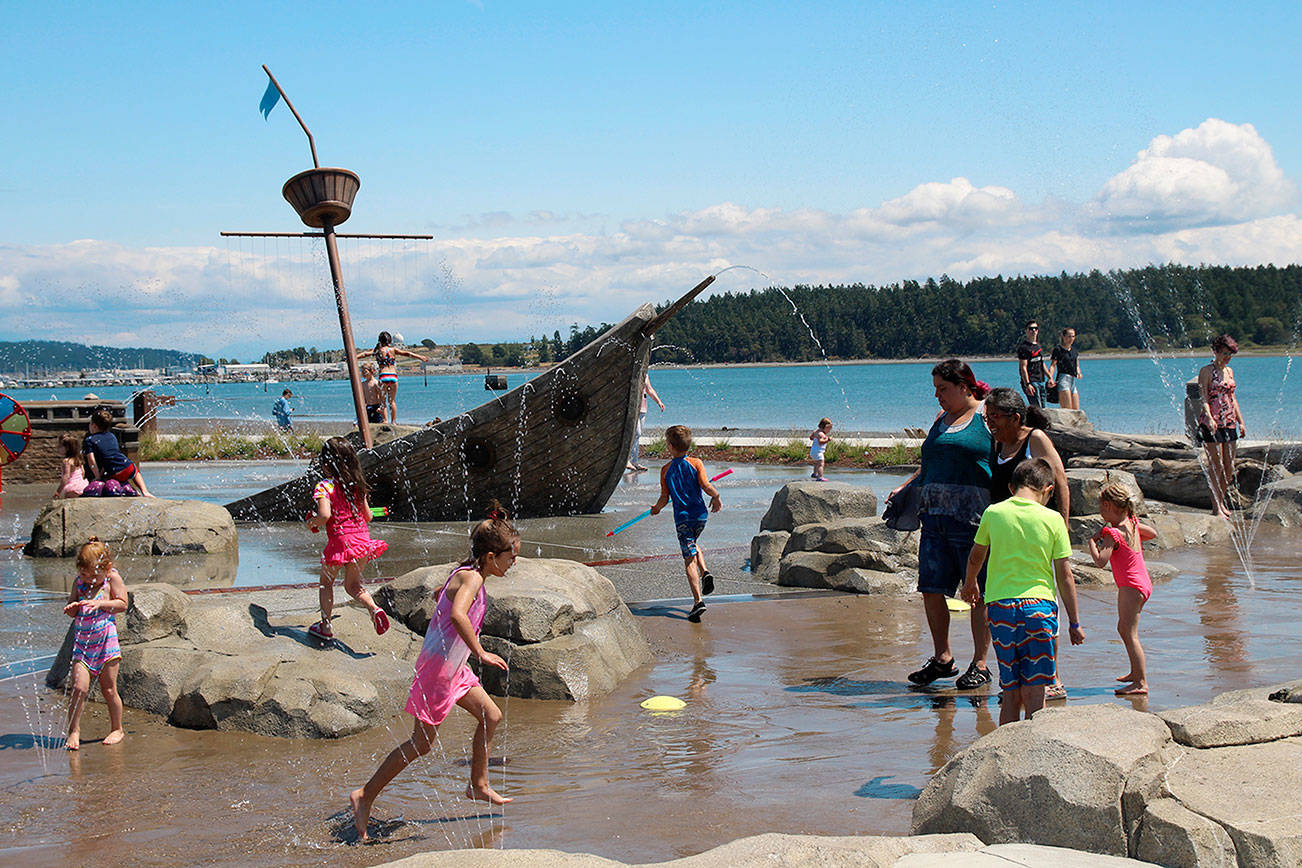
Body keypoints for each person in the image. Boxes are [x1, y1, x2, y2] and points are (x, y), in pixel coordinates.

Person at [350, 506, 518, 840]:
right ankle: (364, 795)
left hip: (453, 667)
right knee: (422, 743)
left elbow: (443, 596)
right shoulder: (471, 577)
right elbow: (458, 615)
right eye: (511, 556)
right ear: (491, 555)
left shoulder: (468, 572)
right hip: (439, 670)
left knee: (491, 715)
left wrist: (444, 599)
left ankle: (478, 784)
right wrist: (481, 652)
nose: (514, 562)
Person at [886, 360, 993, 689]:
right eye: (934, 389)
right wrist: (906, 486)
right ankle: (943, 658)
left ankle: (981, 663)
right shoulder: (940, 420)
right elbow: (929, 464)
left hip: (974, 520)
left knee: (978, 593)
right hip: (934, 519)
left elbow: (1008, 457)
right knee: (931, 589)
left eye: (942, 389)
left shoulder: (987, 416)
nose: (937, 396)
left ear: (964, 387)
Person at [961, 459, 1085, 724]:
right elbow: (1065, 575)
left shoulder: (994, 513)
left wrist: (970, 583)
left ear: (1010, 486)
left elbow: (976, 556)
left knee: (1010, 690)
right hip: (1039, 609)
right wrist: (1074, 622)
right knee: (1035, 692)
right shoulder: (1052, 519)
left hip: (1001, 608)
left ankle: (1004, 753)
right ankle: (1030, 752)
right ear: (1048, 490)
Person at [982, 387, 1071, 699]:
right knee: (1003, 600)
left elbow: (1059, 481)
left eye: (994, 416)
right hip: (1005, 530)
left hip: (1036, 531)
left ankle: (1053, 677)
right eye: (987, 415)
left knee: (1042, 597)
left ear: (1014, 417)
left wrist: (1062, 524)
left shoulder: (1035, 439)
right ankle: (1012, 676)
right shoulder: (997, 441)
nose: (989, 421)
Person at [305, 437, 391, 640]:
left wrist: (312, 522)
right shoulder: (357, 485)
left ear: (326, 464)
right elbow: (368, 517)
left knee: (326, 583)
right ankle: (373, 608)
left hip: (340, 542)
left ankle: (325, 627)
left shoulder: (324, 487)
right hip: (362, 541)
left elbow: (325, 516)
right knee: (353, 586)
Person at [1088, 482, 1156, 696]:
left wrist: (1092, 540)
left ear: (1108, 506)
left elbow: (1100, 561)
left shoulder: (1113, 533)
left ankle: (1141, 683)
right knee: (1124, 628)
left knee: (1129, 632)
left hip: (1130, 586)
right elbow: (1152, 533)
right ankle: (1135, 673)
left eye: (1100, 507)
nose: (1100, 511)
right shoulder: (1133, 522)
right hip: (1143, 583)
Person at [651, 425, 722, 623]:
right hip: (700, 516)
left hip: (682, 518)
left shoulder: (666, 470)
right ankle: (705, 572)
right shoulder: (696, 462)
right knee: (692, 544)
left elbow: (664, 497)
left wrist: (656, 509)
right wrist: (716, 496)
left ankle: (698, 601)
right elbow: (705, 486)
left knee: (688, 558)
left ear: (670, 447)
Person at [62, 538, 127, 750]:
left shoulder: (112, 579)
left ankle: (117, 728)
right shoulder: (79, 583)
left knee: (109, 690)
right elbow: (73, 608)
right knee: (78, 688)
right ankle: (74, 730)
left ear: (107, 569)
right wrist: (72, 607)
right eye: (84, 575)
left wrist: (101, 603)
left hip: (106, 646)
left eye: (93, 575)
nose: (89, 580)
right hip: (82, 646)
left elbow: (122, 604)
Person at [1196, 334, 1246, 519]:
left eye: (1230, 354)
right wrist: (1208, 417)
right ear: (1215, 351)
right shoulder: (1206, 371)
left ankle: (1221, 499)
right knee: (1215, 466)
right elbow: (1203, 397)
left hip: (1229, 421)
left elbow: (1232, 398)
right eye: (1224, 353)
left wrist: (1241, 421)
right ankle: (1216, 505)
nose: (1227, 357)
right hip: (1212, 423)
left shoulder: (1230, 371)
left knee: (1229, 466)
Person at [82, 407, 153, 497]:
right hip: (128, 466)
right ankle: (144, 491)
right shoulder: (112, 436)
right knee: (135, 471)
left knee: (110, 481)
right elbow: (111, 455)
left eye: (90, 424)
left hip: (114, 473)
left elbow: (92, 461)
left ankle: (132, 491)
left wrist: (97, 476)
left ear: (94, 426)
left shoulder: (89, 440)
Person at [363, 331, 428, 425]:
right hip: (393, 376)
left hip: (383, 376)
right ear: (390, 340)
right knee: (392, 401)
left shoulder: (378, 350)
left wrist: (352, 357)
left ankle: (385, 421)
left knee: (382, 402)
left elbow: (365, 354)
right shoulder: (393, 350)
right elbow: (407, 353)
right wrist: (420, 357)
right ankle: (393, 422)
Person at [627, 373, 665, 472]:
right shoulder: (631, 372)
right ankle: (627, 460)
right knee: (636, 433)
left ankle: (634, 461)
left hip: (643, 408)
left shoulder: (645, 374)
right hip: (633, 408)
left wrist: (659, 402)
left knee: (637, 436)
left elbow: (649, 389)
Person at [1048, 327, 1083, 410]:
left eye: (1073, 336)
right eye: (1069, 336)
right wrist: (1050, 378)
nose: (1071, 339)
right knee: (1067, 410)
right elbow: (1053, 365)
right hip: (1063, 379)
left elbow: (1077, 365)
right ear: (1063, 337)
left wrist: (1078, 372)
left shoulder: (1074, 350)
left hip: (1072, 379)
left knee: (1076, 410)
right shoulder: (1058, 350)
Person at [1017, 321, 1049, 408]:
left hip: (1041, 380)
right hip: (1031, 381)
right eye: (1031, 329)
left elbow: (1042, 363)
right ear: (1026, 331)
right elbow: (1023, 367)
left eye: (1035, 328)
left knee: (1043, 408)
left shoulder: (1038, 346)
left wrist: (1050, 377)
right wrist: (1027, 384)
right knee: (1036, 407)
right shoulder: (1024, 348)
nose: (1033, 330)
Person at [55, 433, 88, 498]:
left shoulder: (67, 461)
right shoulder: (78, 459)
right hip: (82, 486)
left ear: (67, 448)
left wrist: (58, 491)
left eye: (60, 446)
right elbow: (83, 473)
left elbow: (66, 477)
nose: (57, 448)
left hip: (72, 488)